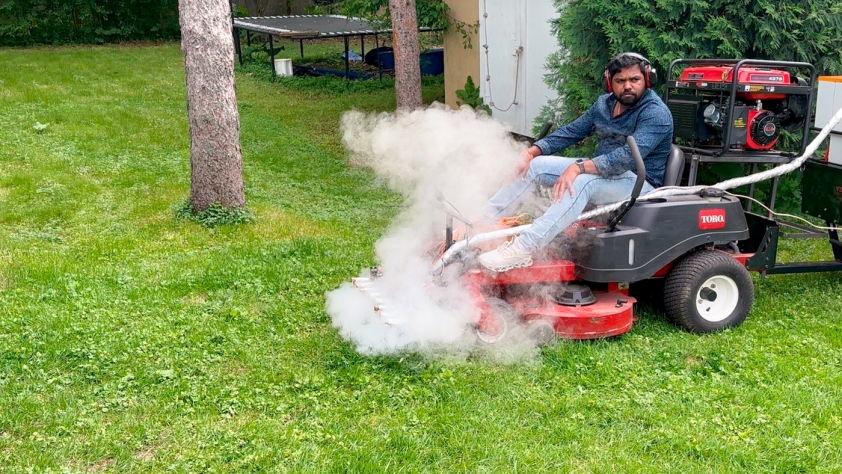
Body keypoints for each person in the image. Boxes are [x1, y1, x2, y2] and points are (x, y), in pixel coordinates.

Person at [478, 52, 674, 272]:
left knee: (580, 183)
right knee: (535, 167)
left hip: (640, 181)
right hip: (604, 172)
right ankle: (480, 225)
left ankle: (522, 248)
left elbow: (625, 158)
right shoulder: (604, 105)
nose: (627, 86)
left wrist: (578, 168)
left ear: (647, 80)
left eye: (634, 80)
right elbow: (573, 131)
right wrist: (531, 152)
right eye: (620, 81)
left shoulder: (656, 114)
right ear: (610, 83)